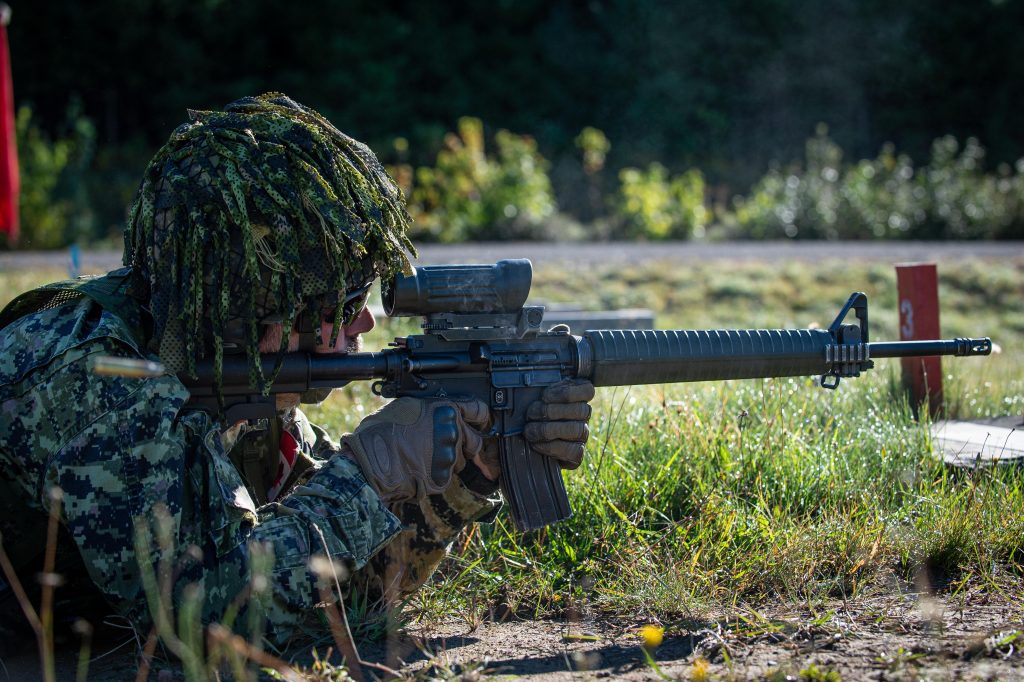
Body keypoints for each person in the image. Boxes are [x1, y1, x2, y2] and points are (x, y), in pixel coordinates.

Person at [0, 93, 594, 647]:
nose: (363, 325)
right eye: (339, 304)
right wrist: (368, 473)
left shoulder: (238, 383)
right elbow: (207, 630)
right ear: (249, 307)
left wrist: (472, 473)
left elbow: (334, 590)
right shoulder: (98, 383)